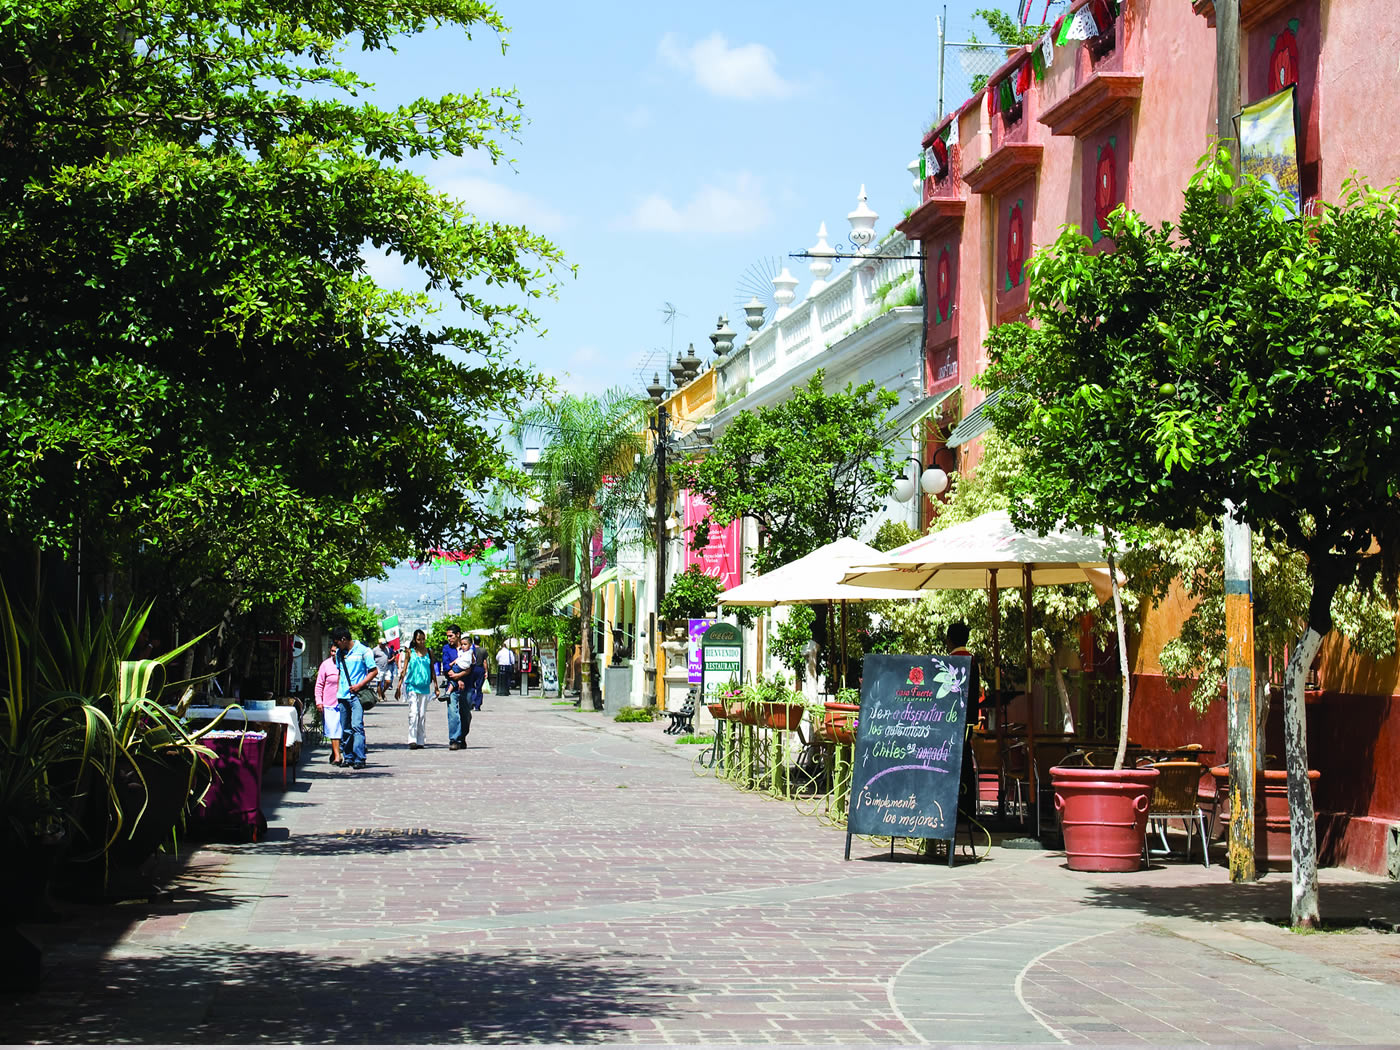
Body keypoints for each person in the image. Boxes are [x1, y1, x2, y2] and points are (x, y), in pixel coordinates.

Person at [333, 625, 377, 770]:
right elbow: (340, 673)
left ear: (344, 639)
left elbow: (373, 671)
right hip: (342, 696)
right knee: (345, 728)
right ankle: (348, 756)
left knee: (357, 726)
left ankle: (360, 758)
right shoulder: (339, 653)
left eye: (337, 642)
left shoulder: (364, 651)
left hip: (357, 695)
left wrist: (360, 685)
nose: (335, 645)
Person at [395, 629, 435, 749]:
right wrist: (399, 686)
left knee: (422, 714)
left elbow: (432, 669)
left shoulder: (429, 652)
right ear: (415, 640)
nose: (421, 642)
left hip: (425, 687)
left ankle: (420, 739)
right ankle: (412, 739)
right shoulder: (410, 652)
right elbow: (404, 669)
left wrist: (436, 687)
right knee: (413, 713)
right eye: (419, 639)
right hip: (412, 686)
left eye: (423, 639)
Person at [442, 624, 471, 750]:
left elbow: (471, 667)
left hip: (467, 686)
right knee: (453, 713)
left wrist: (460, 675)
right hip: (452, 686)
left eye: (451, 636)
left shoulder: (468, 648)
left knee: (466, 714)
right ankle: (454, 739)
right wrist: (457, 679)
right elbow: (446, 667)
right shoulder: (446, 649)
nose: (449, 638)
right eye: (448, 636)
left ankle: (462, 737)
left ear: (458, 634)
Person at [315, 644, 343, 766]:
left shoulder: (345, 663)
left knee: (340, 729)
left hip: (343, 702)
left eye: (336, 651)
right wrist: (319, 701)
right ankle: (337, 756)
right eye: (332, 651)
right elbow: (319, 684)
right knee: (333, 729)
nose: (333, 654)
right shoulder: (325, 665)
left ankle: (335, 751)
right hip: (329, 703)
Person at [465, 635, 486, 711]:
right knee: (479, 688)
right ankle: (477, 705)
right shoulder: (483, 650)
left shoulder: (471, 649)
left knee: (471, 686)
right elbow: (484, 662)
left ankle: (472, 700)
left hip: (472, 668)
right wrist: (486, 671)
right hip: (480, 669)